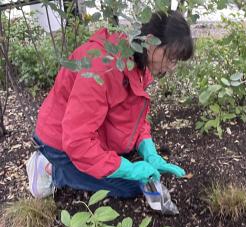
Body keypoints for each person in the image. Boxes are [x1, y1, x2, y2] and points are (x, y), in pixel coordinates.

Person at [28, 10, 194, 198]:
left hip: (90, 131)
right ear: (150, 41)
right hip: (60, 141)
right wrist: (129, 170)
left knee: (135, 173)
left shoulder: (137, 61)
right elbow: (77, 142)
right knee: (132, 186)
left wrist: (149, 151)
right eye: (170, 58)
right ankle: (49, 168)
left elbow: (131, 117)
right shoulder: (102, 67)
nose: (171, 67)